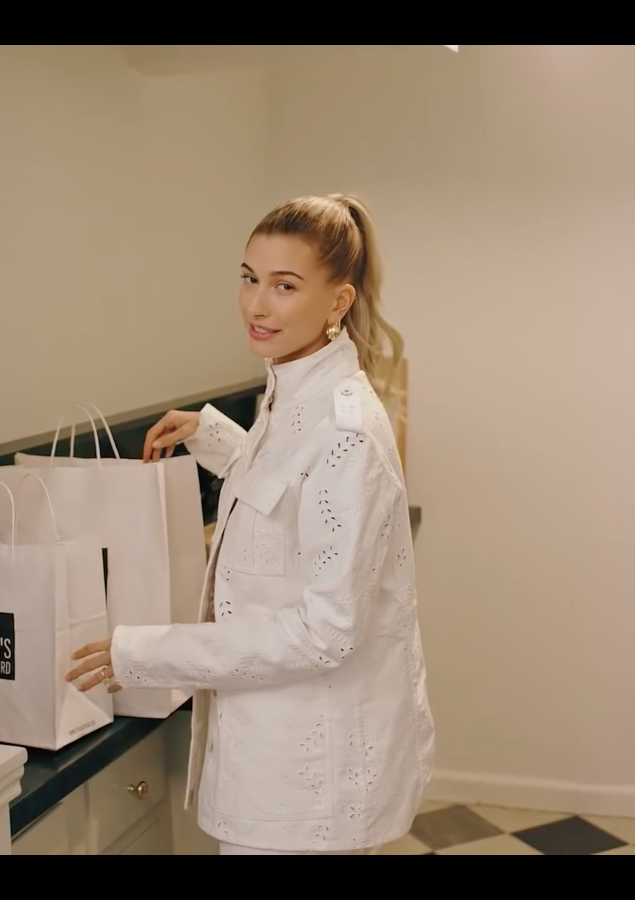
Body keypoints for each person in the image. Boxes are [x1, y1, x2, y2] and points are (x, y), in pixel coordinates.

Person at [66, 193, 434, 856]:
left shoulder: (346, 430)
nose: (257, 305)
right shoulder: (294, 388)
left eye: (285, 286)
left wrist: (147, 655)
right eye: (249, 278)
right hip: (275, 770)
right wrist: (213, 437)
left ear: (338, 301)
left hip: (306, 788)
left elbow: (325, 633)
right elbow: (293, 490)